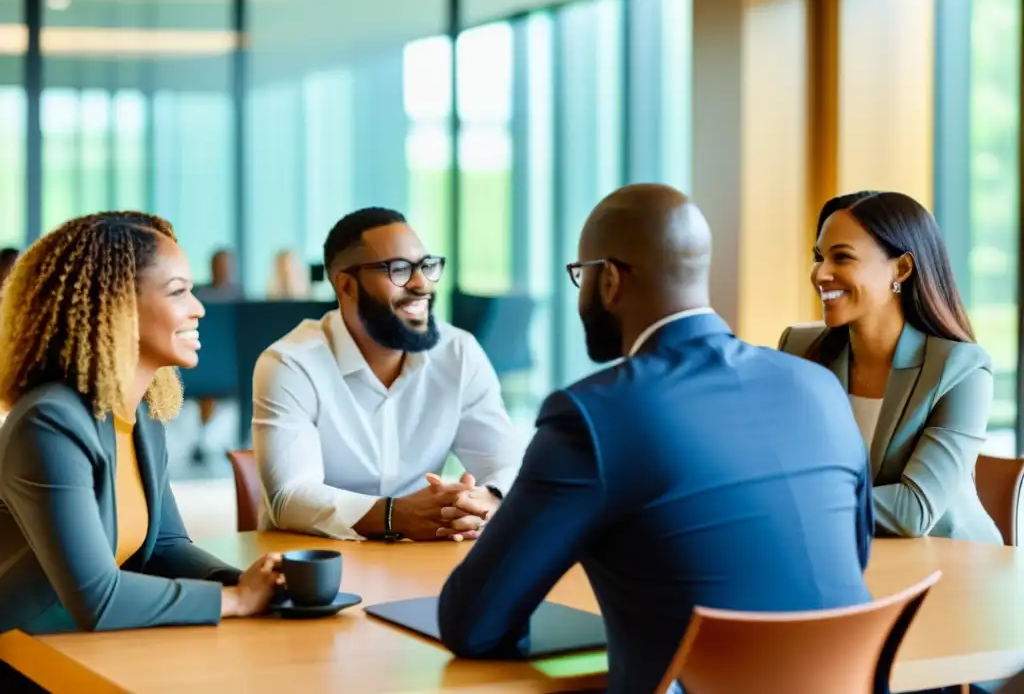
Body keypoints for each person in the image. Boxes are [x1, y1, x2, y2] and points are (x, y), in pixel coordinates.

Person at [437, 184, 873, 694]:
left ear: (610, 281)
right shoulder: (817, 384)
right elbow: (849, 556)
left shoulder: (595, 414)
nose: (581, 295)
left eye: (582, 276)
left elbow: (474, 624)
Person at [0, 212, 283, 636]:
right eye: (178, 293)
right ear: (116, 308)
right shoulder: (49, 422)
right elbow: (98, 599)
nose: (199, 308)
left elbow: (165, 547)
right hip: (27, 651)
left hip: (87, 644)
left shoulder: (143, 412)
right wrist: (237, 600)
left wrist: (253, 582)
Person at [251, 207, 522, 542]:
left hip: (422, 558)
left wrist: (485, 500)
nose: (422, 283)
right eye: (399, 269)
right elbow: (289, 498)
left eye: (426, 266)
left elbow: (509, 464)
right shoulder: (290, 363)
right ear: (346, 285)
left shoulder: (458, 353)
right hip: (316, 568)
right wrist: (395, 514)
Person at [778, 190, 1001, 544]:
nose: (821, 274)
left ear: (901, 268)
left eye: (842, 258)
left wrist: (788, 503)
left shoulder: (962, 369)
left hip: (951, 566)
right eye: (819, 257)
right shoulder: (798, 347)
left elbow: (913, 510)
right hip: (841, 553)